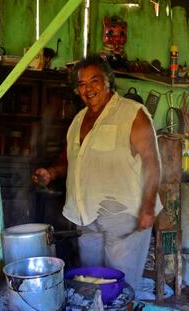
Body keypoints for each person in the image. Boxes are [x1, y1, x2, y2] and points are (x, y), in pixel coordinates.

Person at [32, 54, 162, 293]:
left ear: (108, 81)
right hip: (86, 218)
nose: (88, 89)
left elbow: (152, 162)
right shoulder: (78, 120)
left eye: (94, 81)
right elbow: (71, 159)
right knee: (91, 284)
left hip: (125, 218)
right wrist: (51, 172)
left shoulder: (133, 114)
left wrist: (148, 206)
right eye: (81, 84)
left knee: (121, 285)